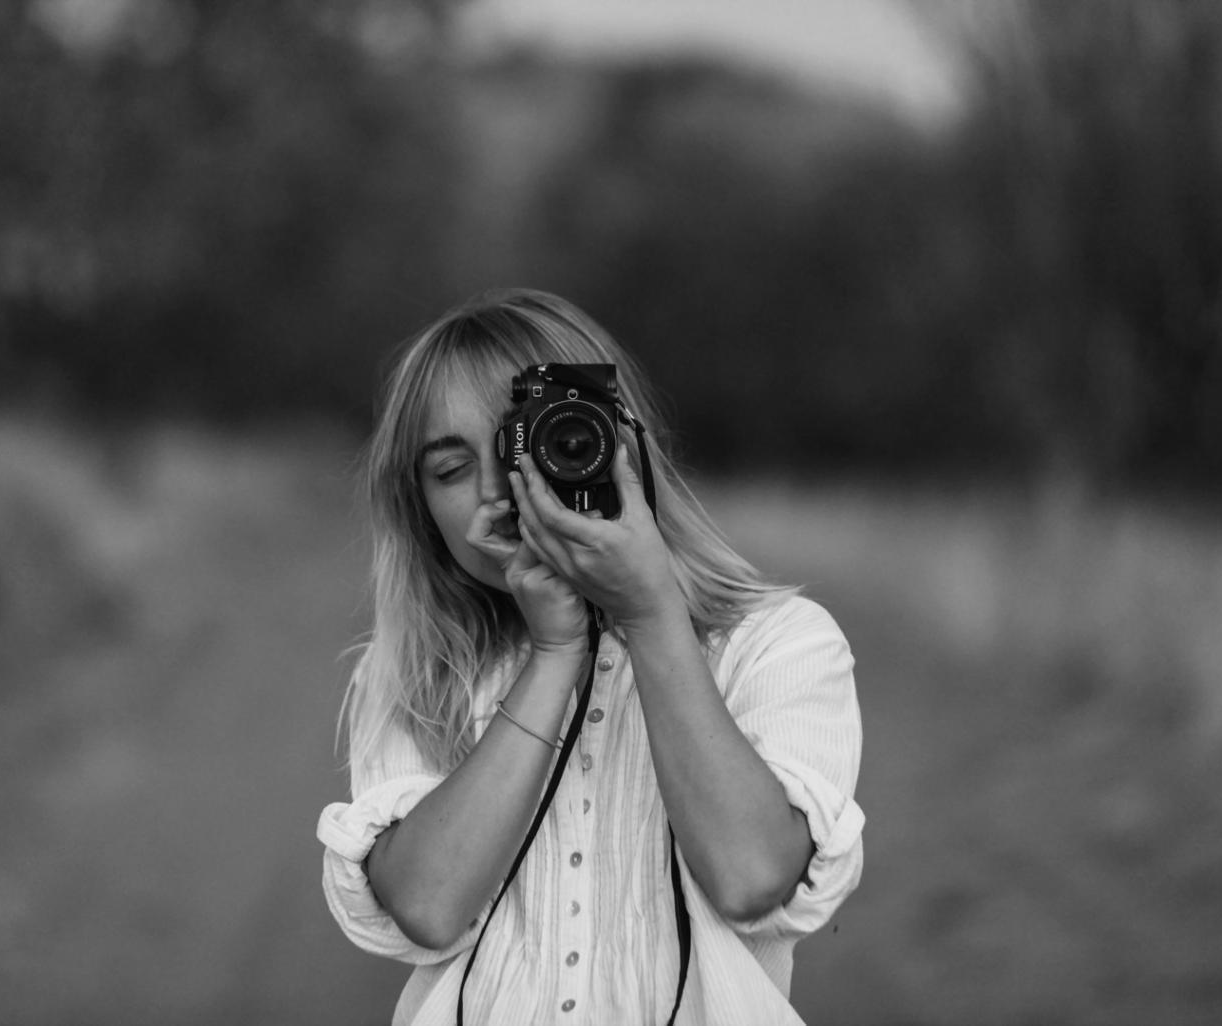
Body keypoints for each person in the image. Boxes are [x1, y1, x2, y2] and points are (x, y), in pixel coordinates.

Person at [318, 288, 864, 1025]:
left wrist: (648, 611)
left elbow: (749, 878)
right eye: (450, 471)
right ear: (418, 509)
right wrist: (553, 654)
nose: (498, 492)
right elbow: (428, 906)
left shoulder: (779, 642)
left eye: (540, 446)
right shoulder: (417, 674)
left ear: (620, 445)